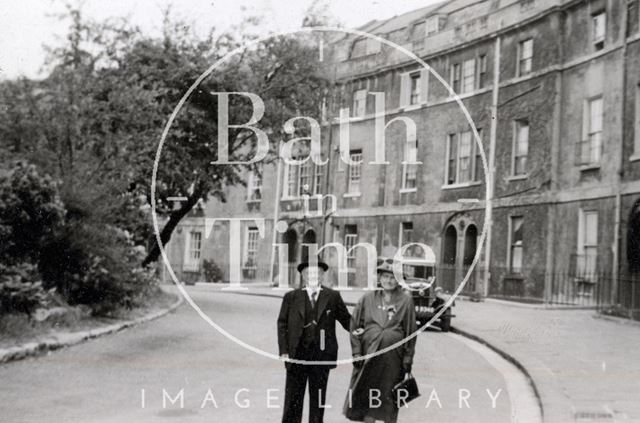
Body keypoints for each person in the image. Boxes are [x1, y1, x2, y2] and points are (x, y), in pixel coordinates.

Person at [277, 259, 351, 423]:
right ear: (303, 276)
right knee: (293, 399)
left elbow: (347, 321)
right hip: (296, 354)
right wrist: (284, 350)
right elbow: (282, 324)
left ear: (322, 275)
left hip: (321, 356)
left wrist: (363, 329)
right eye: (309, 273)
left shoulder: (332, 296)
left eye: (317, 273)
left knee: (318, 400)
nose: (313, 276)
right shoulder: (291, 297)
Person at [343, 261, 417, 423]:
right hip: (370, 357)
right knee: (369, 398)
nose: (389, 281)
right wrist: (356, 352)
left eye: (392, 278)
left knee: (390, 398)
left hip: (393, 359)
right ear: (380, 278)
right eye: (385, 276)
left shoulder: (405, 301)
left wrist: (407, 360)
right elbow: (355, 326)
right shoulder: (367, 299)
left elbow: (411, 333)